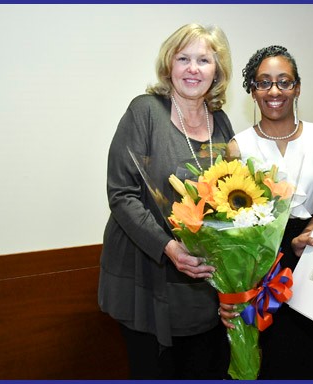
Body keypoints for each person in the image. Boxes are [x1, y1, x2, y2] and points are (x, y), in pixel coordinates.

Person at [98, 23, 234, 380]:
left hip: (204, 281)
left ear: (217, 70)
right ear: (168, 64)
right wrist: (171, 249)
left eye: (204, 60)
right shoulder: (145, 112)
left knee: (206, 367)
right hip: (149, 272)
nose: (193, 68)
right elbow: (122, 194)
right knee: (155, 370)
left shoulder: (221, 123)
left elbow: (235, 200)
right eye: (183, 58)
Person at [221, 45, 313, 380]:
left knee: (307, 359)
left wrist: (307, 235)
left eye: (284, 82)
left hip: (309, 258)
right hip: (260, 265)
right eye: (264, 83)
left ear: (297, 87)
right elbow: (231, 221)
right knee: (266, 358)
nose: (275, 91)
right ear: (253, 91)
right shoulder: (238, 146)